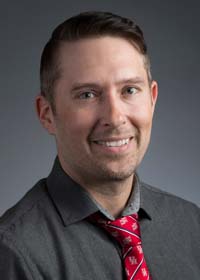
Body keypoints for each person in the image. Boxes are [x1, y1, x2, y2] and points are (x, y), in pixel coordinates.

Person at [0, 11, 199, 280]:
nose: (115, 118)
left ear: (152, 99)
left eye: (129, 90)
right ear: (47, 113)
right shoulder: (14, 252)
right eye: (87, 94)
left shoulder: (192, 225)